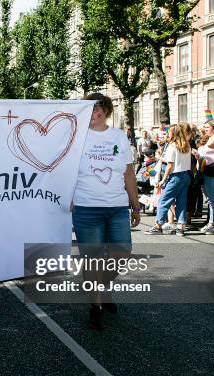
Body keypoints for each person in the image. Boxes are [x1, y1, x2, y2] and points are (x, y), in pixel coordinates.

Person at [72, 93, 141, 331]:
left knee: (122, 257)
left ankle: (100, 286)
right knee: (91, 260)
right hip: (86, 207)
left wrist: (135, 204)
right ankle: (95, 306)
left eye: (98, 109)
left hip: (116, 207)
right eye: (89, 109)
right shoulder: (76, 136)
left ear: (106, 111)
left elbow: (128, 174)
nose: (93, 114)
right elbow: (63, 171)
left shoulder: (119, 137)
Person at [145, 124, 192, 236]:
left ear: (173, 133)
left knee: (163, 200)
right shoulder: (186, 146)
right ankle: (181, 227)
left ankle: (158, 226)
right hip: (186, 175)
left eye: (169, 132)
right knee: (182, 202)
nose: (168, 133)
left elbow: (170, 165)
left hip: (175, 176)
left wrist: (163, 180)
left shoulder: (172, 146)